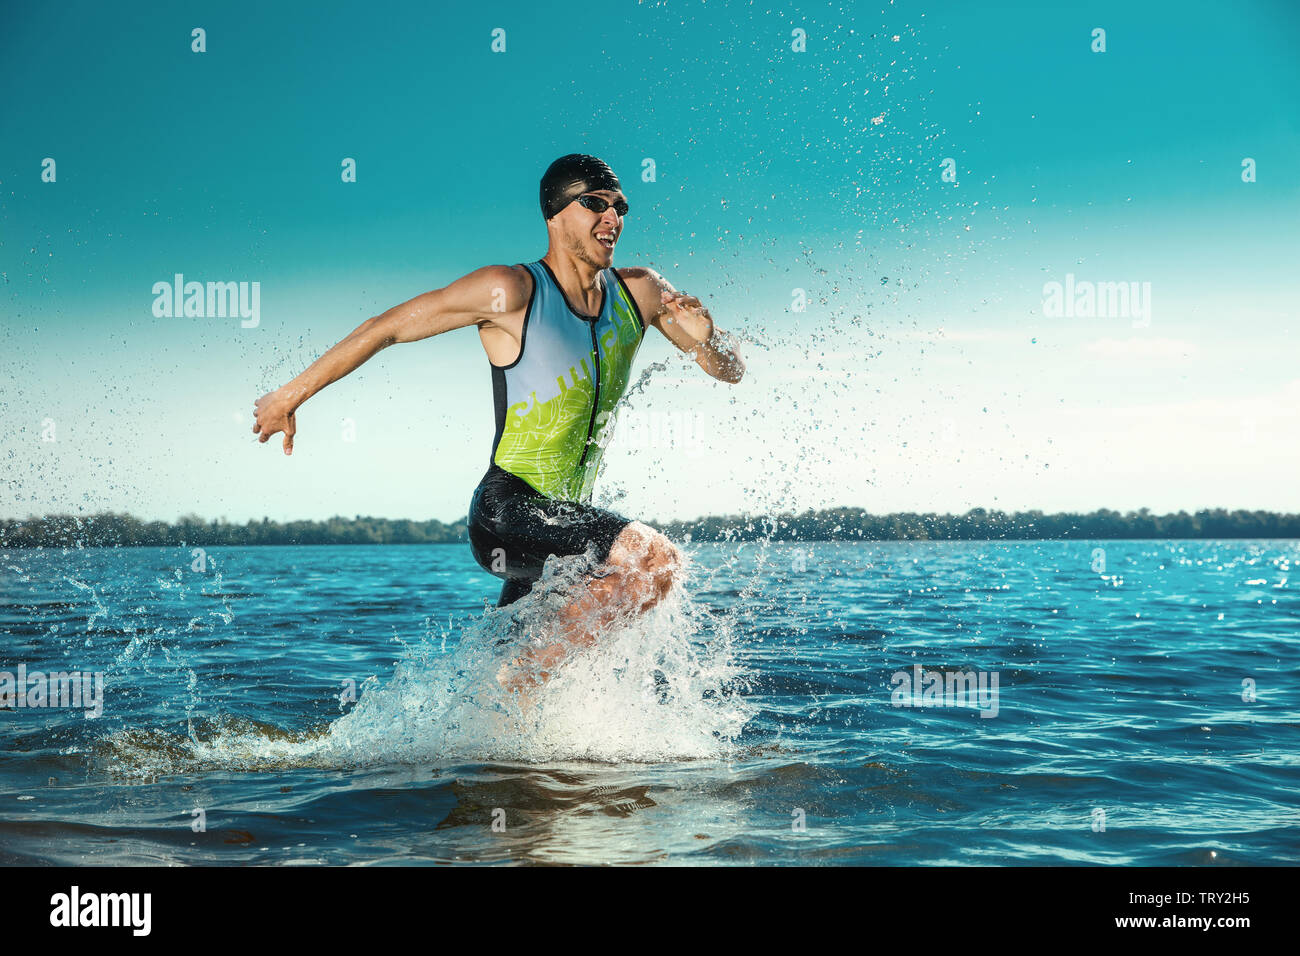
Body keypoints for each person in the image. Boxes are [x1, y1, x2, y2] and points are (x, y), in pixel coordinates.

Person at [253, 154, 744, 688]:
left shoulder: (640, 293)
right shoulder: (511, 291)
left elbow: (730, 371)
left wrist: (710, 339)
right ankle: (523, 680)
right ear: (554, 215)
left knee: (495, 700)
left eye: (619, 207)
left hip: (561, 529)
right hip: (506, 513)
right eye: (594, 204)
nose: (613, 218)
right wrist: (289, 396)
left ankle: (487, 733)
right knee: (653, 561)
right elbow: (386, 327)